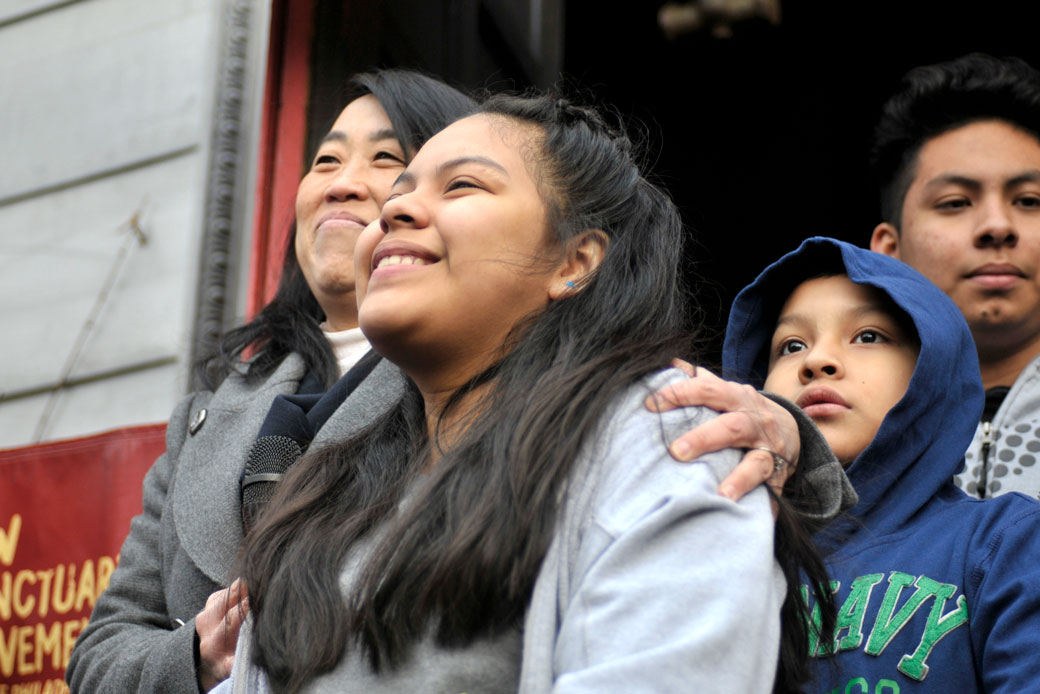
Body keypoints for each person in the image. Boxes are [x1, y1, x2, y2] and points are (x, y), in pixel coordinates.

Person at [68, 69, 831, 693]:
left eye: (459, 185)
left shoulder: (668, 440)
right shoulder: (328, 489)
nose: (392, 207)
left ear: (575, 261)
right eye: (329, 162)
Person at [66, 69, 476, 694]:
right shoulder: (201, 423)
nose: (341, 183)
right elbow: (99, 654)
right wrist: (197, 655)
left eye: (386, 159)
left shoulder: (478, 376)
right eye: (326, 161)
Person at [724, 236, 1040, 693]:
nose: (817, 361)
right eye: (791, 346)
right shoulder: (728, 549)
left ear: (931, 371)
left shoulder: (1005, 541)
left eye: (868, 336)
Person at [868, 53, 1040, 500]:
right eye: (955, 203)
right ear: (890, 251)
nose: (997, 226)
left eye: (1029, 200)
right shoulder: (825, 423)